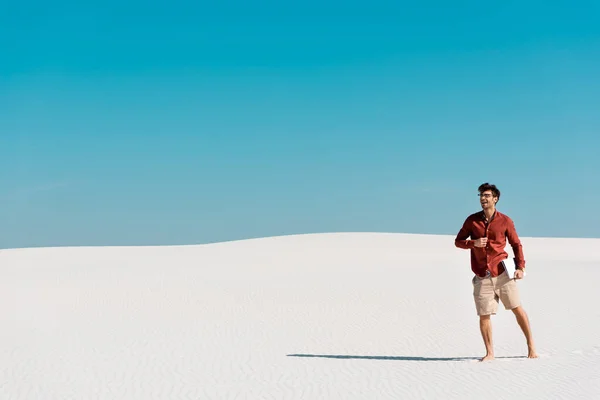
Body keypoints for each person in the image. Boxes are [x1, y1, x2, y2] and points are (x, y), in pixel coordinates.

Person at [455, 183, 538, 361]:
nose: (483, 199)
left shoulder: (505, 221)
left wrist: (520, 267)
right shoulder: (472, 220)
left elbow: (516, 244)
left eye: (486, 195)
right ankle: (490, 353)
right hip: (481, 275)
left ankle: (531, 346)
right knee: (484, 315)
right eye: (480, 196)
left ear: (495, 199)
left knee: (517, 308)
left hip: (503, 274)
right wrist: (473, 243)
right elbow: (458, 241)